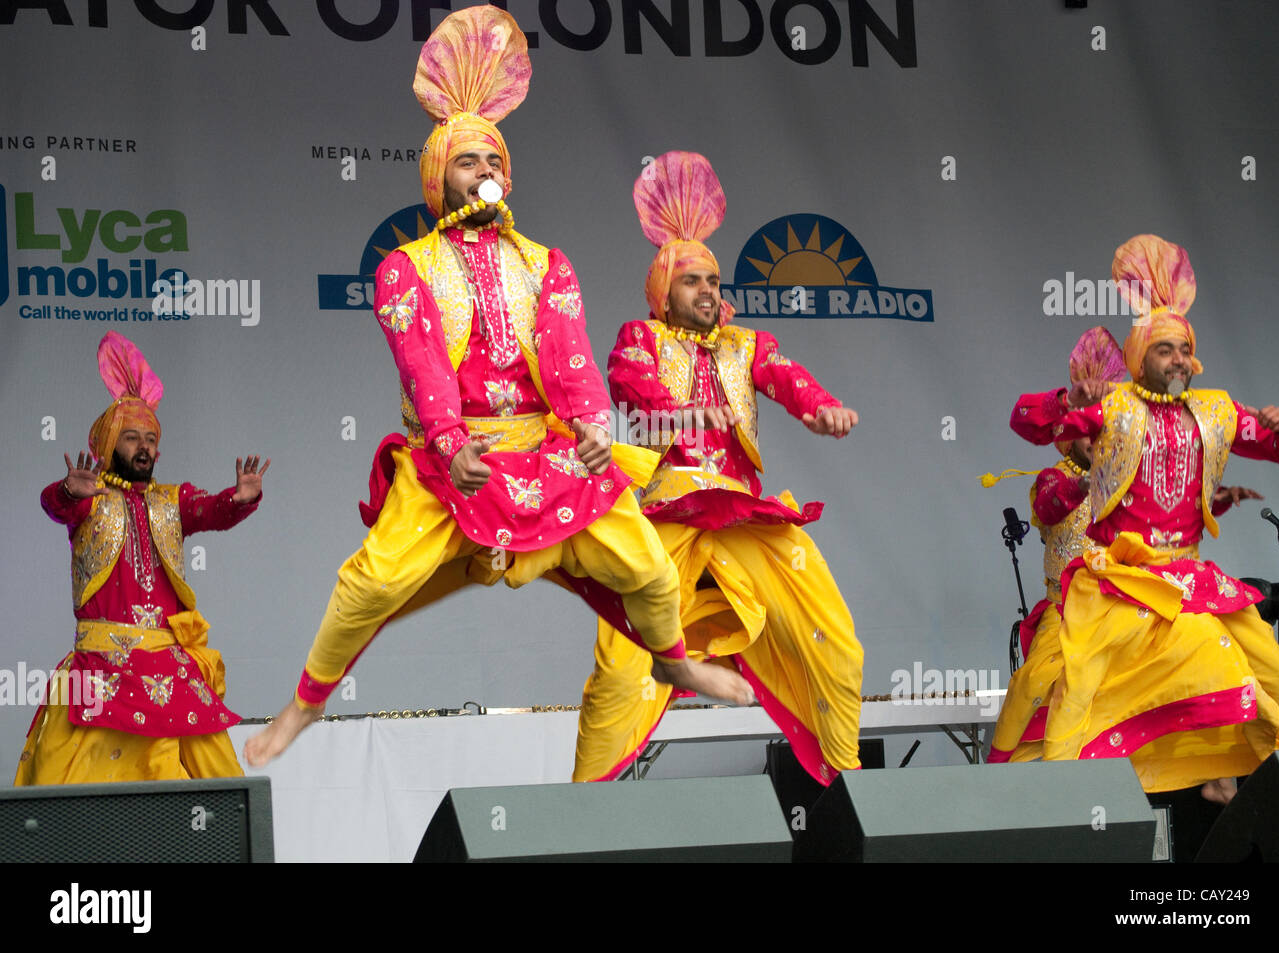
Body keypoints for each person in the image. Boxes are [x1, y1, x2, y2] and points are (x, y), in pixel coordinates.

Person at [245, 10, 750, 767]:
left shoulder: (549, 264)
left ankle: (672, 660)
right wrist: (448, 447)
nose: (483, 174)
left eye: (492, 163)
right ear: (436, 180)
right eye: (465, 163)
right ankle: (303, 707)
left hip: (547, 455)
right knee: (368, 585)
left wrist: (588, 426)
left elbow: (572, 356)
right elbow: (422, 364)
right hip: (457, 459)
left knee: (646, 567)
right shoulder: (403, 267)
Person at [572, 151, 864, 785]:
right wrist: (680, 417)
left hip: (741, 514)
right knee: (621, 667)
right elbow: (629, 390)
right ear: (663, 293)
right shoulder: (639, 339)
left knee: (835, 644)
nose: (707, 291)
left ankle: (851, 789)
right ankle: (585, 810)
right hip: (668, 515)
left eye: (712, 280)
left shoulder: (746, 344)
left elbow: (786, 378)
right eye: (691, 281)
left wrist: (822, 408)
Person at [1017, 234, 1279, 802]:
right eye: (1163, 349)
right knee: (1084, 693)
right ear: (1140, 356)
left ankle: (1230, 775)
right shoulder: (1114, 411)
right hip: (1122, 581)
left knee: (1276, 675)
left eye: (1182, 350)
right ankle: (1059, 804)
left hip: (1190, 577)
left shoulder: (1216, 412)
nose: (1176, 359)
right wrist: (1065, 402)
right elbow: (1030, 422)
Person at [987, 326, 1259, 763]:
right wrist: (1087, 482)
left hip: (1134, 600)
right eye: (1089, 432)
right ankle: (1018, 777)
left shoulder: (1134, 468)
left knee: (1207, 654)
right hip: (1069, 612)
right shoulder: (1054, 478)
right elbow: (1052, 505)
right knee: (1037, 681)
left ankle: (1212, 770)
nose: (1097, 441)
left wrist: (1216, 500)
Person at [15, 331, 267, 784]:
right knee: (78, 793)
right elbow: (55, 505)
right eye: (131, 437)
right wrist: (69, 489)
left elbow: (212, 511)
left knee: (211, 788)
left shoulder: (173, 501)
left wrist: (240, 498)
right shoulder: (89, 501)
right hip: (102, 667)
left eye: (150, 437)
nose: (143, 446)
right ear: (109, 445)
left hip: (167, 671)